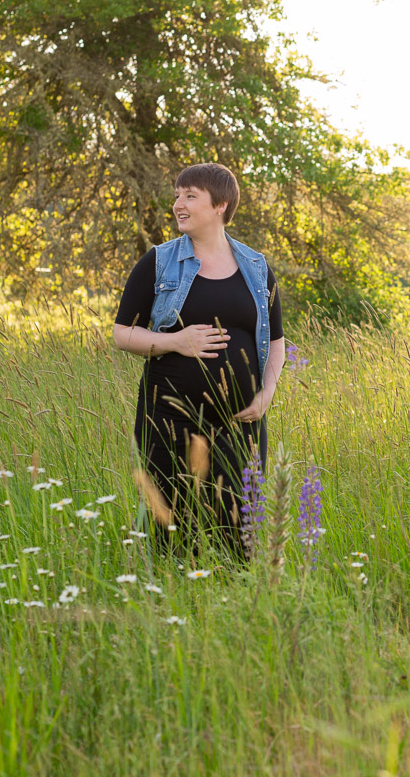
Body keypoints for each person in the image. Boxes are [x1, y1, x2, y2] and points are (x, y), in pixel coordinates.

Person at [112, 163, 285, 558]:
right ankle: (169, 602)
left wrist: (267, 393)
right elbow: (122, 334)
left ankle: (235, 602)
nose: (178, 204)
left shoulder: (256, 268)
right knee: (171, 522)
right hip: (169, 416)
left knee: (240, 524)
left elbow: (276, 342)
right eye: (177, 195)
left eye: (189, 196)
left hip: (240, 419)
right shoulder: (158, 263)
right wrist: (176, 341)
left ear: (220, 205)